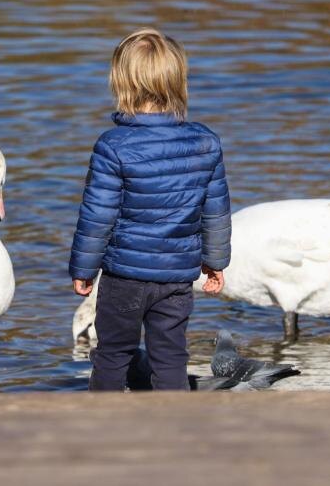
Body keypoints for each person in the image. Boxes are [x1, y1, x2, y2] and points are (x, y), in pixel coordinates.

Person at [69, 28, 231, 391]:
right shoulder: (205, 142)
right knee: (171, 356)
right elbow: (216, 210)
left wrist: (83, 268)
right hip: (176, 277)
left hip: (124, 277)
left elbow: (97, 217)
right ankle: (173, 428)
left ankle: (96, 425)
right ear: (178, 83)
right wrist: (216, 261)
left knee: (113, 354)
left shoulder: (113, 146)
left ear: (121, 84)